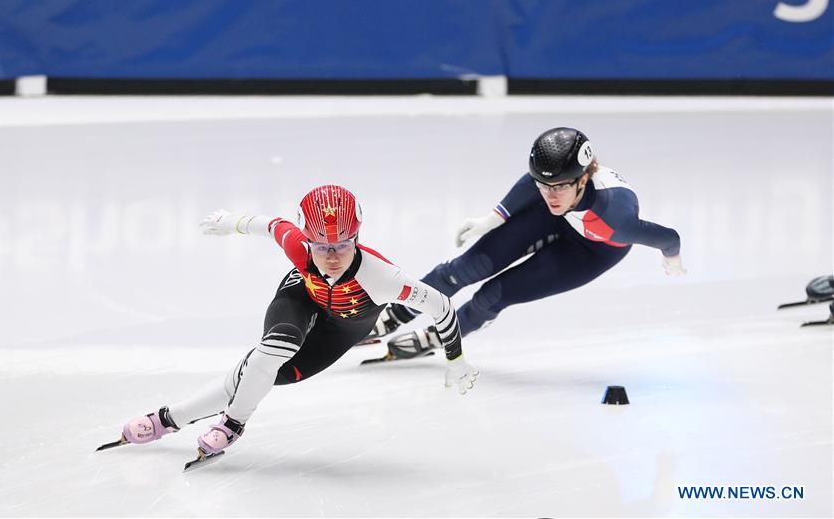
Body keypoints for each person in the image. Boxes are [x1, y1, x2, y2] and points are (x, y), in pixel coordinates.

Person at [106, 185, 478, 464]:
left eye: (343, 246)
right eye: (320, 247)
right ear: (309, 240)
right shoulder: (299, 246)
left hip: (344, 328)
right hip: (301, 297)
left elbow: (442, 306)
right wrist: (232, 224)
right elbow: (273, 225)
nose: (331, 257)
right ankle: (233, 425)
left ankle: (169, 418)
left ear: (357, 238)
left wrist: (455, 359)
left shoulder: (382, 276)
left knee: (258, 374)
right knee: (275, 348)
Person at [372, 127, 686, 358]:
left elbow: (669, 238)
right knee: (464, 269)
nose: (551, 194)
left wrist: (672, 258)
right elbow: (533, 183)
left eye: (560, 186)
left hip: (591, 250)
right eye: (544, 184)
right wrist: (492, 219)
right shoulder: (552, 185)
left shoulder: (615, 219)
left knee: (492, 296)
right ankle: (394, 314)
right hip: (554, 219)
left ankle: (437, 337)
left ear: (583, 179)